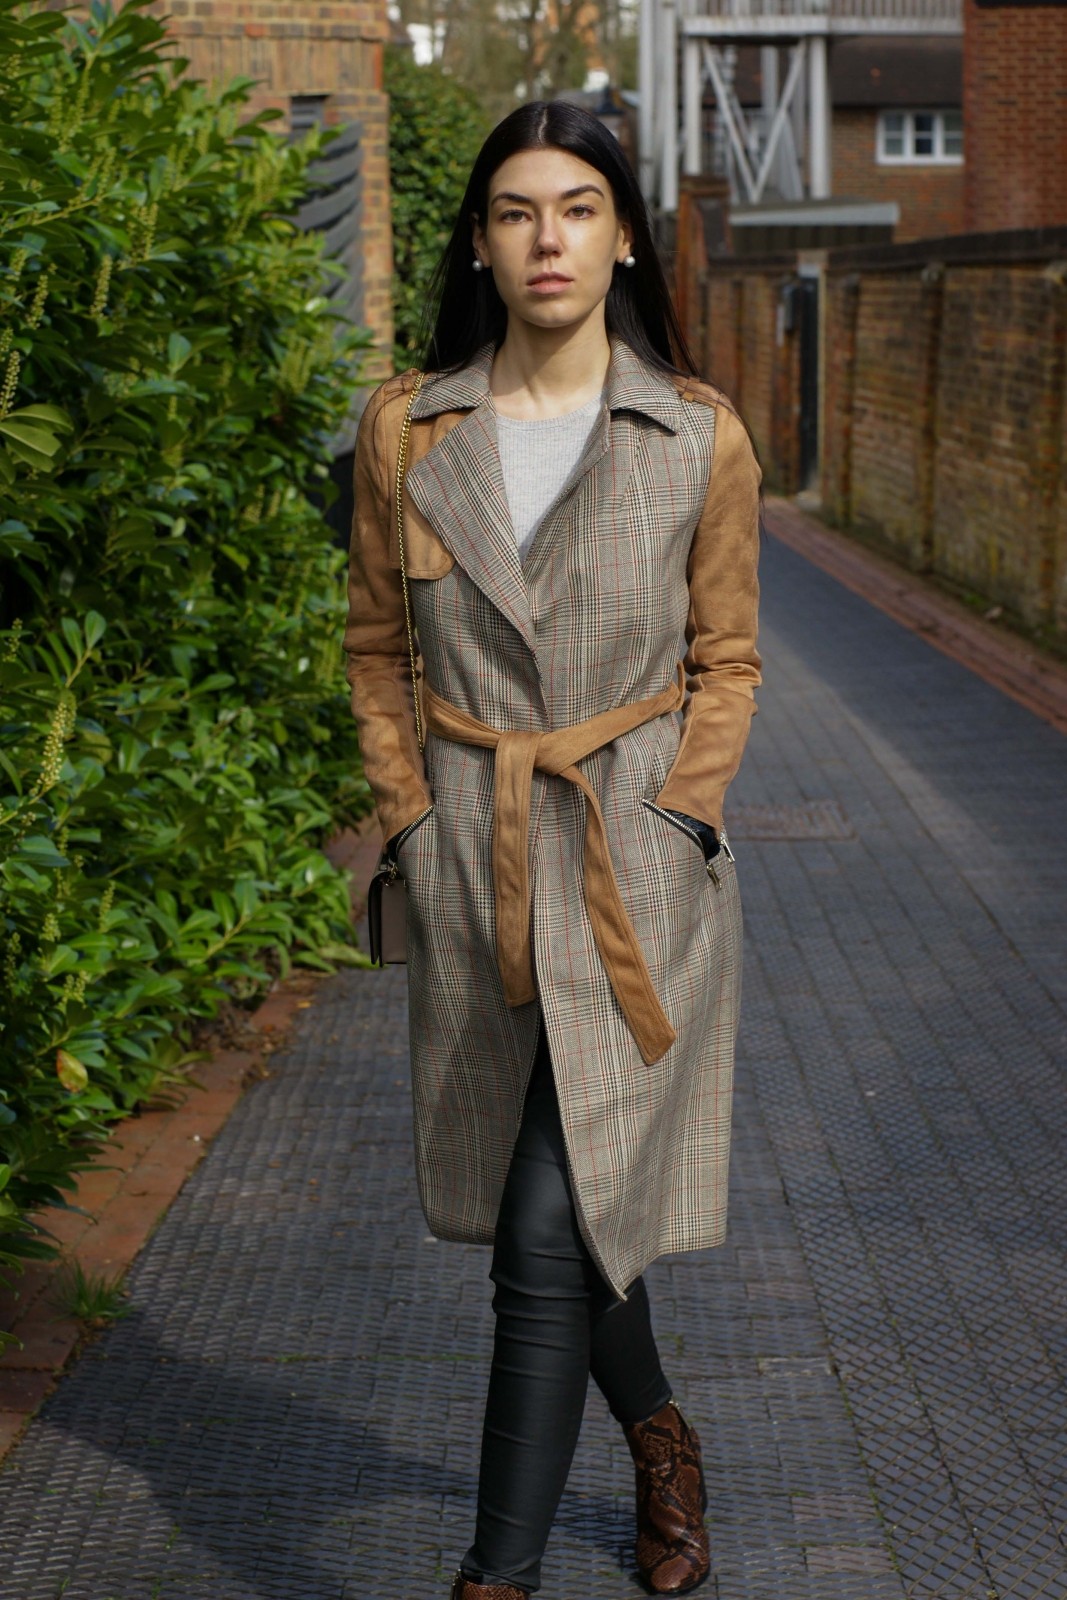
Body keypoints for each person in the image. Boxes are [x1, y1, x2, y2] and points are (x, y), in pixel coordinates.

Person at [343, 99, 761, 1599]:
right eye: (518, 211)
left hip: (634, 883)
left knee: (541, 1242)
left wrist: (682, 812)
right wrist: (409, 816)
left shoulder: (697, 431)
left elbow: (731, 659)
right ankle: (658, 1439)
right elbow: (376, 654)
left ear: (626, 233)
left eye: (579, 208)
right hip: (476, 874)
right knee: (576, 1218)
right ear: (477, 240)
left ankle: (492, 1578)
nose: (548, 239)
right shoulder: (410, 427)